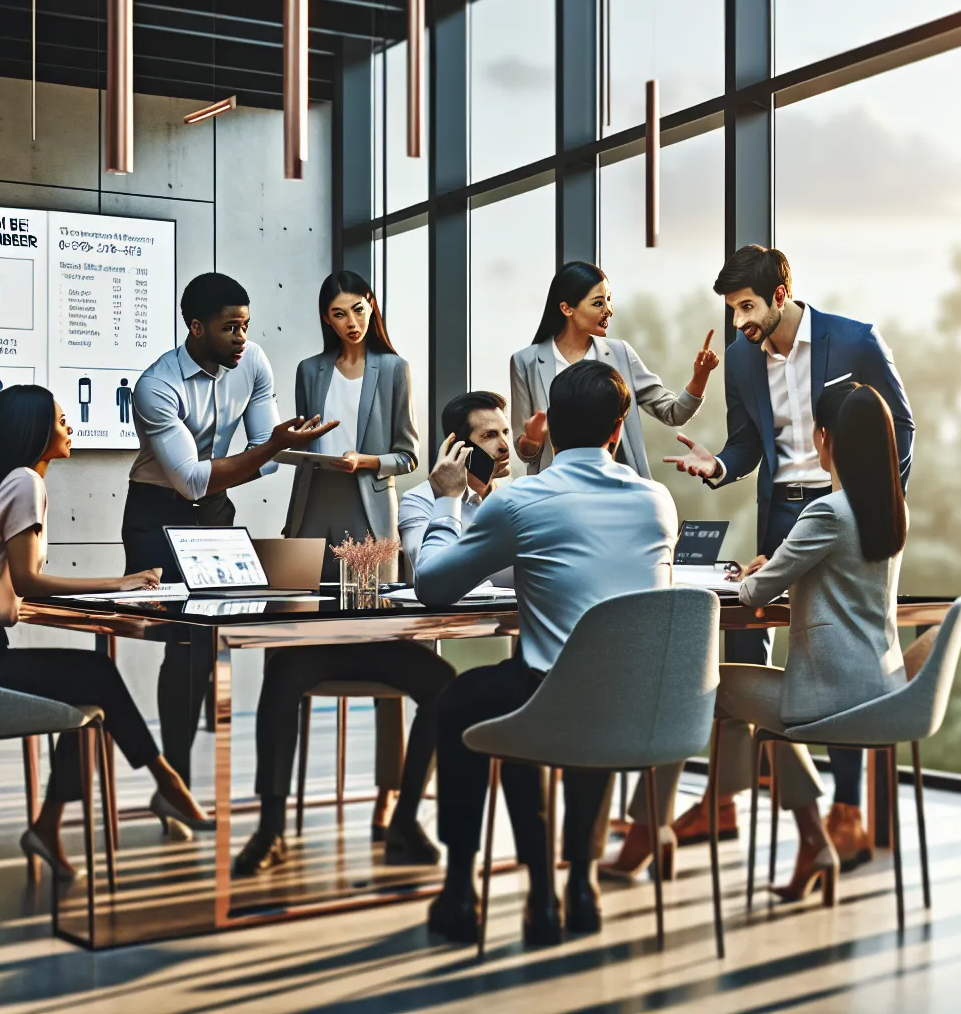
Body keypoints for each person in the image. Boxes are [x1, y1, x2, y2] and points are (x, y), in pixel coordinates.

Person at [656, 245, 915, 872]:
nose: (739, 321)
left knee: (840, 647)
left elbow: (900, 426)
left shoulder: (855, 341)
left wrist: (871, 501)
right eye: (732, 309)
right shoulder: (743, 358)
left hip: (844, 507)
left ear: (780, 294)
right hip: (782, 514)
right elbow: (747, 444)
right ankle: (723, 800)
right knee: (747, 646)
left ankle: (846, 810)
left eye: (747, 307)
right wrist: (718, 465)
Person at [416, 360, 678, 946]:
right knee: (583, 691)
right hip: (637, 705)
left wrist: (447, 501)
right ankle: (580, 884)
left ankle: (467, 889)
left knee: (467, 699)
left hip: (549, 698)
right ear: (619, 429)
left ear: (550, 427)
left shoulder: (521, 500)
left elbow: (432, 586)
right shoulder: (657, 501)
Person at [0, 386, 215, 879]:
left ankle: (53, 823)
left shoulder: (0, 482)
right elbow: (27, 581)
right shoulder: (25, 482)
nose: (70, 428)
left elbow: (11, 584)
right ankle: (167, 781)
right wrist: (119, 582)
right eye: (62, 421)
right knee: (95, 674)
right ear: (36, 431)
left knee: (90, 691)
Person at [235, 272, 455, 876]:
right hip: (313, 509)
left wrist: (368, 460)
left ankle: (394, 805)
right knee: (290, 647)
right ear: (325, 318)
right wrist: (299, 446)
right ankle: (272, 825)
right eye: (338, 313)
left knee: (379, 635)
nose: (351, 322)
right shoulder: (310, 370)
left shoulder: (394, 368)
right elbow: (303, 437)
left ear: (371, 308)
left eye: (358, 310)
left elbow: (409, 453)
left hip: (369, 515)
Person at [122, 272, 335, 833]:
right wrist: (270, 448)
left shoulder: (254, 362)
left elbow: (263, 457)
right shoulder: (156, 387)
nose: (242, 338)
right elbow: (191, 479)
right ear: (196, 328)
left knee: (212, 639)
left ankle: (180, 786)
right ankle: (177, 785)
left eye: (245, 325)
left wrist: (273, 448)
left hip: (214, 508)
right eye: (229, 328)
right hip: (155, 511)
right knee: (184, 645)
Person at [701, 382, 911, 904]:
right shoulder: (891, 509)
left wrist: (751, 574)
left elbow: (753, 594)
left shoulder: (827, 512)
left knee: (714, 687)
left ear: (825, 438)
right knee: (769, 715)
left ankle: (713, 809)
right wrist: (779, 567)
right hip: (883, 689)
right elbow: (835, 574)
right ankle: (811, 842)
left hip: (831, 692)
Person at [509, 261, 718, 479]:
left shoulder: (621, 354)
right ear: (567, 308)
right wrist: (532, 441)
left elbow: (674, 413)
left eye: (609, 300)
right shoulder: (526, 362)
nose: (609, 310)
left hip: (619, 486)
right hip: (555, 488)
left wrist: (700, 377)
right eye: (598, 303)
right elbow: (526, 454)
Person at [396, 391, 512, 577]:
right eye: (490, 435)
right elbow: (431, 573)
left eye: (505, 432)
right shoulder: (419, 500)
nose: (505, 446)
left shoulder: (515, 495)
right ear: (459, 445)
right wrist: (448, 500)